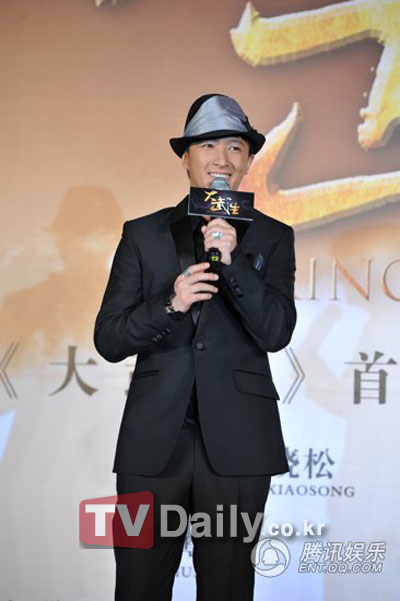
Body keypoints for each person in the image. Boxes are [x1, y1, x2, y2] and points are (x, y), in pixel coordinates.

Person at [93, 93, 297, 601]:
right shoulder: (142, 235)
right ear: (185, 157)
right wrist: (171, 303)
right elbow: (110, 338)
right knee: (138, 586)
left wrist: (233, 263)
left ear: (248, 162)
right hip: (152, 443)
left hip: (239, 444)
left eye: (235, 147)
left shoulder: (273, 238)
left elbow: (276, 332)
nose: (222, 159)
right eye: (208, 145)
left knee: (228, 586)